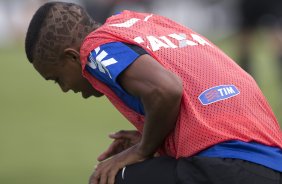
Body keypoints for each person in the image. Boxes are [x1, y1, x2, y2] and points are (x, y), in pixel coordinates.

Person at [25, 2, 282, 184]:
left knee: (108, 178)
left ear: (72, 57)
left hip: (229, 166)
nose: (65, 88)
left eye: (57, 78)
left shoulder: (93, 49)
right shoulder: (142, 23)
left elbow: (166, 90)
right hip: (271, 162)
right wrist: (155, 139)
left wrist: (141, 150)